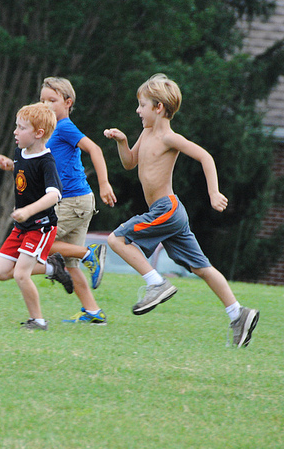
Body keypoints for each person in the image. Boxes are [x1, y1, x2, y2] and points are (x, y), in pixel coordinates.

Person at [103, 73, 259, 347]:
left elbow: (205, 156)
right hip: (172, 214)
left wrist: (214, 192)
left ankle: (156, 283)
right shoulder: (147, 133)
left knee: (116, 239)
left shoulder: (169, 138)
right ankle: (238, 314)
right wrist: (122, 141)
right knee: (203, 268)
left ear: (158, 108)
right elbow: (129, 162)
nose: (138, 111)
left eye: (142, 105)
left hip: (167, 208)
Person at [39, 77, 116, 325]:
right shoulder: (50, 132)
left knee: (41, 242)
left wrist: (104, 183)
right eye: (42, 100)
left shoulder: (64, 127)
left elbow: (95, 149)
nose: (45, 105)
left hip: (73, 202)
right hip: (78, 202)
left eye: (52, 100)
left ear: (68, 103)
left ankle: (89, 252)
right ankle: (93, 312)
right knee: (71, 264)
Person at [0, 102, 73, 331]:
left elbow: (54, 195)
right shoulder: (21, 152)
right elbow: (23, 170)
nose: (15, 132)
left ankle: (38, 321)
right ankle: (52, 268)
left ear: (38, 134)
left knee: (20, 274)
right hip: (22, 227)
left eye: (21, 128)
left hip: (41, 226)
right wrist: (10, 165)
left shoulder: (47, 161)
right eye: (16, 126)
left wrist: (28, 210)